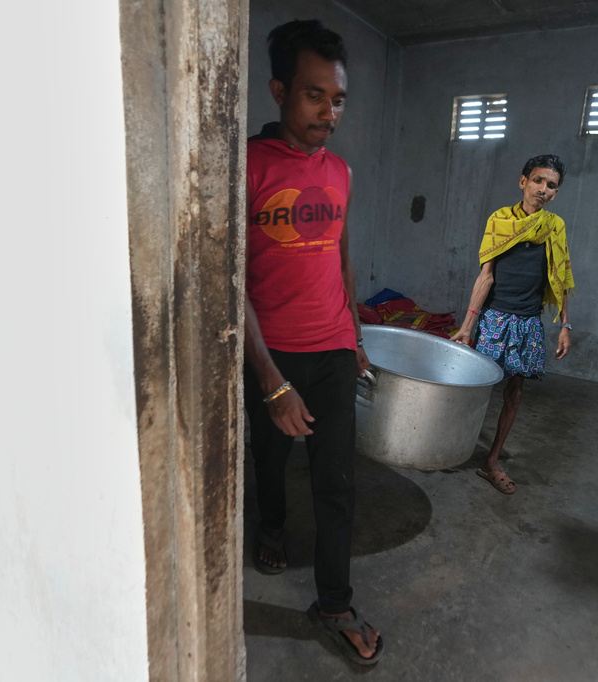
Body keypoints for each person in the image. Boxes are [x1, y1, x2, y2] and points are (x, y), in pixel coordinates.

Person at [243, 19, 383, 665]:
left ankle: (335, 602)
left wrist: (354, 333)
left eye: (339, 98)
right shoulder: (243, 166)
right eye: (314, 95)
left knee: (336, 486)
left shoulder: (341, 171)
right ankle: (270, 531)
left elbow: (342, 257)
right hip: (272, 352)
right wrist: (270, 381)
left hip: (330, 348)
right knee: (270, 463)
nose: (330, 112)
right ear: (279, 91)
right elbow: (226, 281)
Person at [451, 155, 575, 495]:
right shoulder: (499, 221)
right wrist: (467, 326)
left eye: (551, 185)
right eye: (537, 181)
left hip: (528, 322)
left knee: (515, 392)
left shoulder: (554, 227)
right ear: (523, 182)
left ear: (556, 193)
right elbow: (485, 277)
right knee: (476, 388)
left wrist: (566, 325)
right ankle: (452, 445)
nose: (543, 189)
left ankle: (490, 462)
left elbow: (561, 278)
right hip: (494, 318)